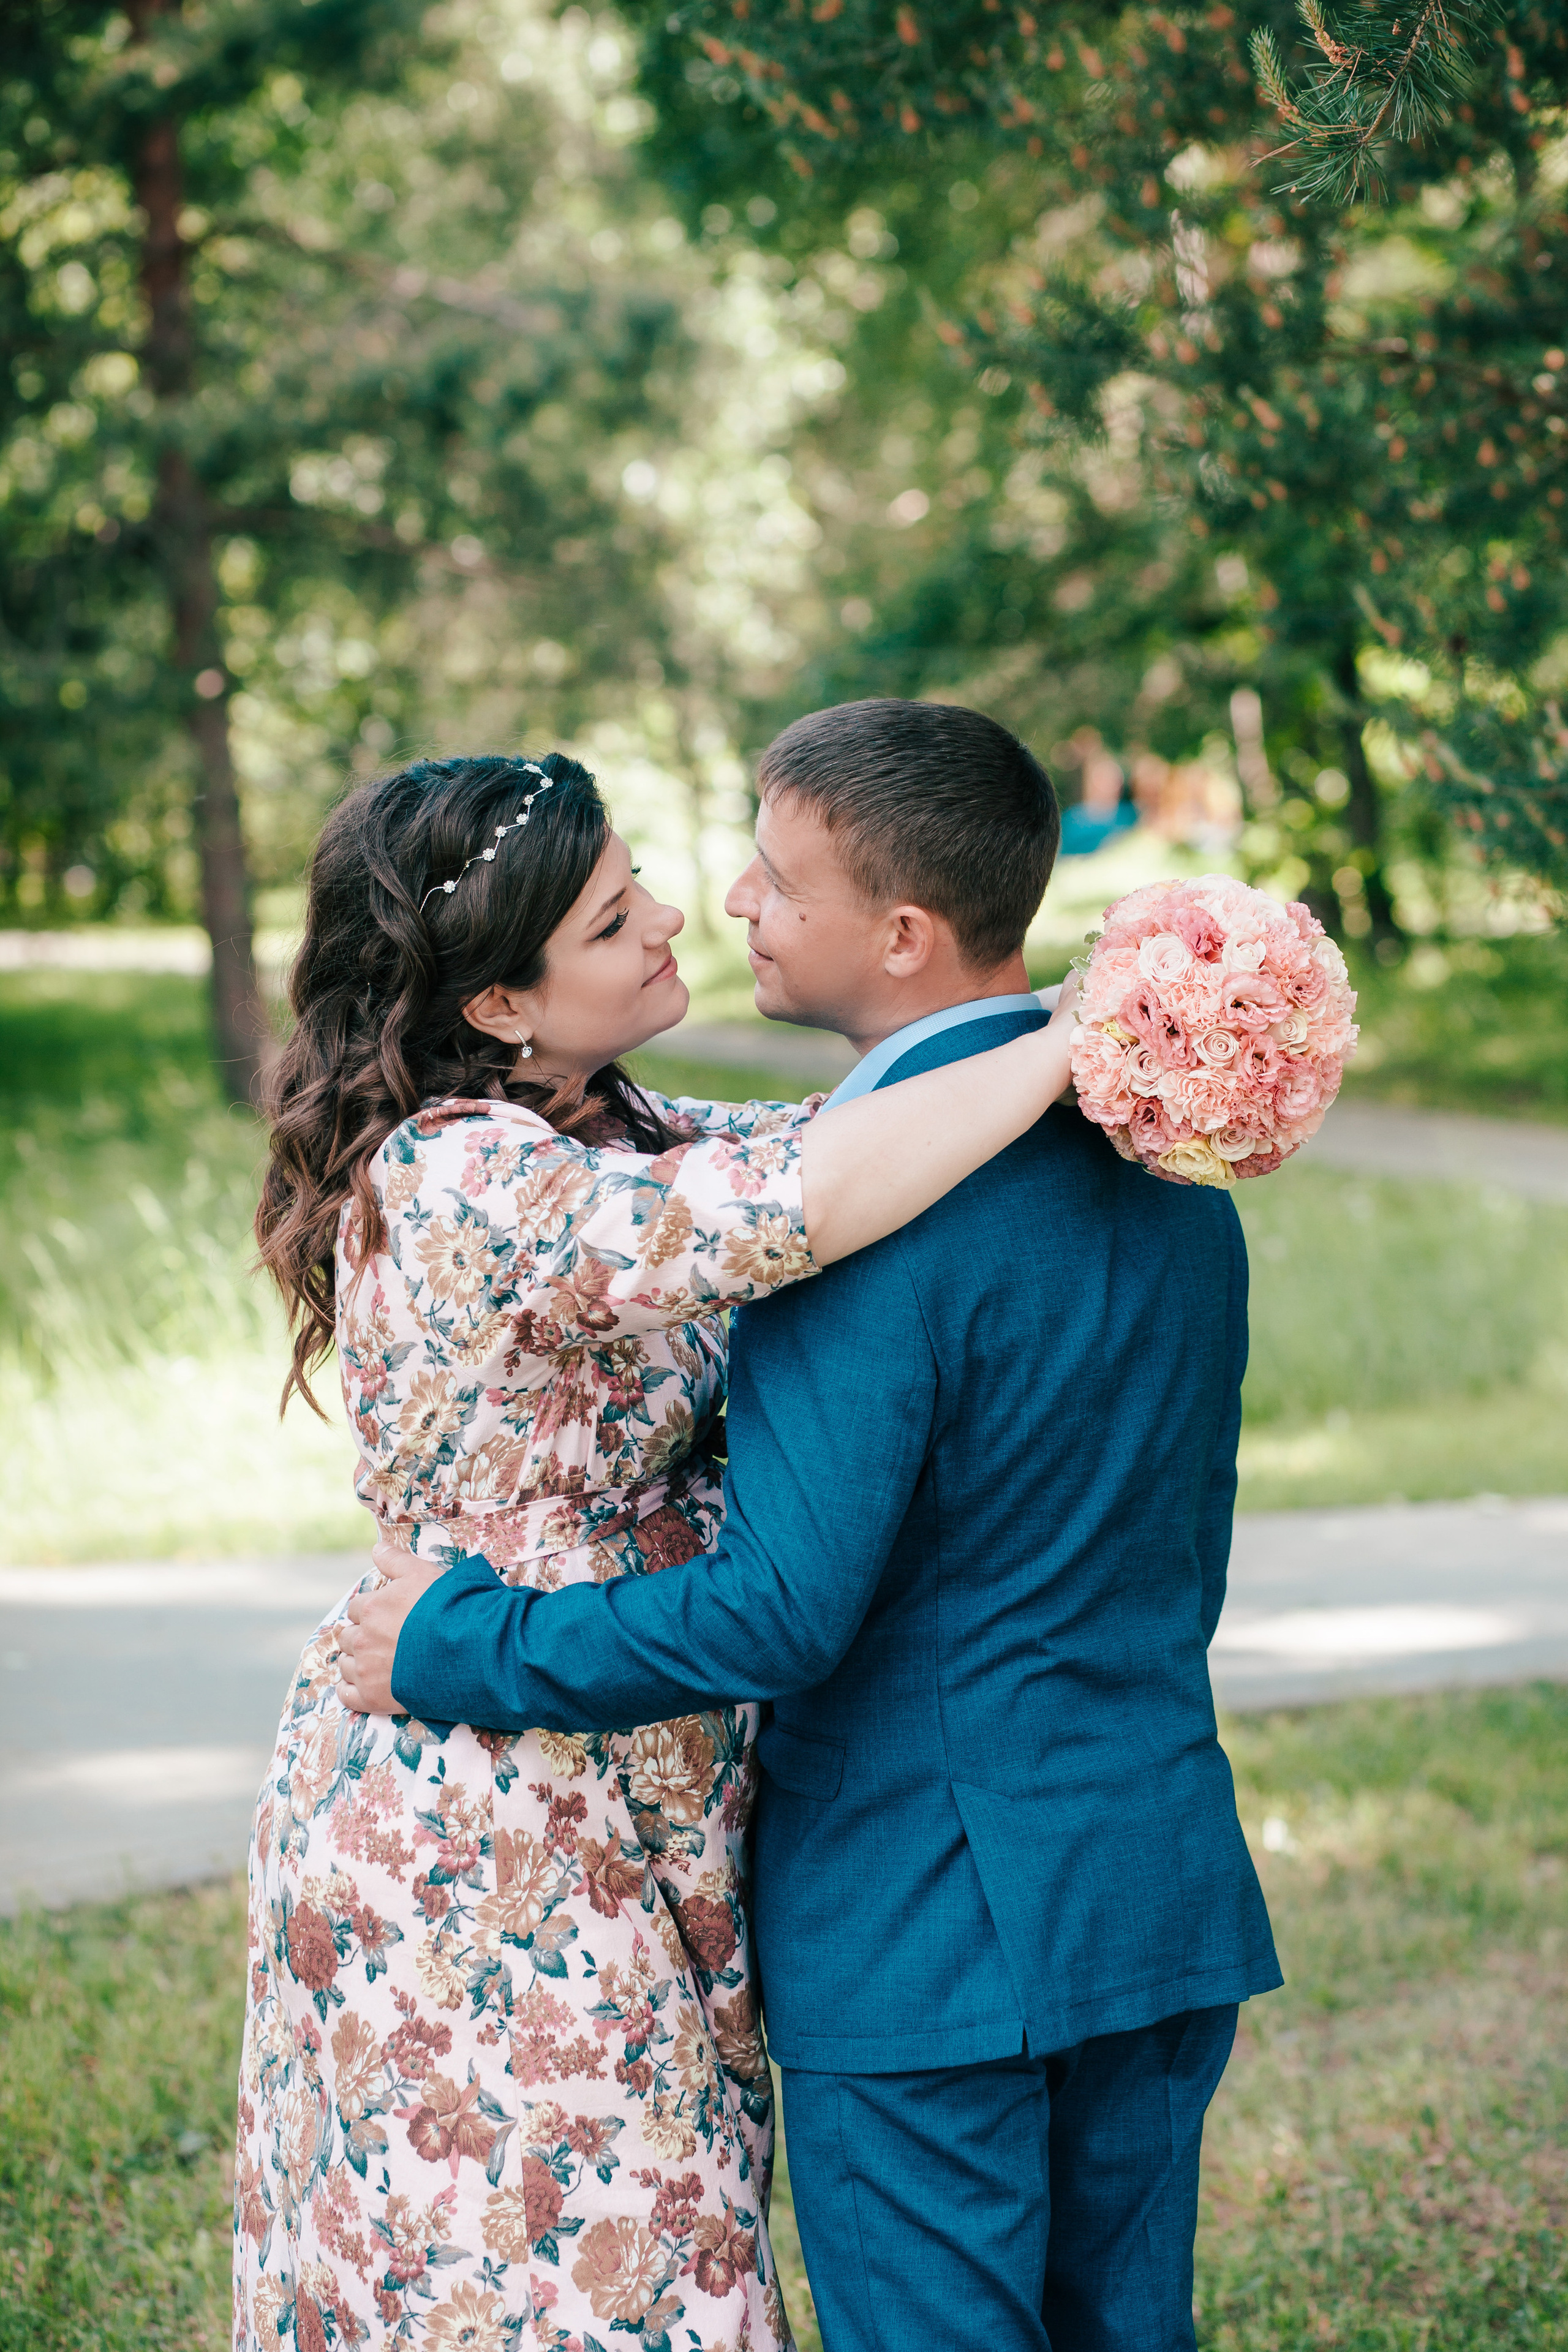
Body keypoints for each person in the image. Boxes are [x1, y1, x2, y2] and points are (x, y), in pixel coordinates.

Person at [342, 699, 1283, 2352]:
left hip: (926, 1927)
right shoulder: (1177, 1173)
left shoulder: (846, 1227)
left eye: (773, 876)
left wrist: (451, 1639)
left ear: (901, 935)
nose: (728, 906)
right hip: (1156, 1878)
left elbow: (782, 1612)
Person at [238, 742, 1080, 2352]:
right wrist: (1073, 1041)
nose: (678, 920)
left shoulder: (608, 1119)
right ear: (499, 1003)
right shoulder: (456, 1168)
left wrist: (1161, 1031)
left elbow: (846, 1137)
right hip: (487, 1793)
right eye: (621, 921)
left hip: (637, 1751)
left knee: (660, 2223)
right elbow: (797, 1204)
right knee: (577, 2267)